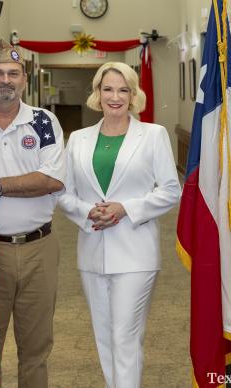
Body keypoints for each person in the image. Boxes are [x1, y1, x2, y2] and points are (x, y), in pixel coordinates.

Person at [58, 61, 180, 388]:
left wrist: (126, 208)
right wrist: (87, 212)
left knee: (125, 334)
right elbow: (64, 193)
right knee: (105, 335)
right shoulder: (79, 139)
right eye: (108, 89)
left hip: (136, 253)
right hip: (92, 251)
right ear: (97, 93)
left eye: (123, 89)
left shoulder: (153, 135)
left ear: (133, 94)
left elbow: (171, 190)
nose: (115, 97)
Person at [0, 40, 65, 387]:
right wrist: (24, 183)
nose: (6, 79)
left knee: (36, 347)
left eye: (13, 73)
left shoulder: (43, 122)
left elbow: (50, 180)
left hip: (38, 248)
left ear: (24, 78)